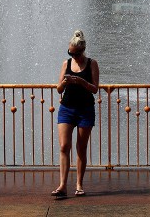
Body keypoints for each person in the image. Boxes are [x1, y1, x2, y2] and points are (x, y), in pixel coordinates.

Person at [52, 30, 100, 198]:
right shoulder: (66, 63)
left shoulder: (92, 64)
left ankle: (79, 184)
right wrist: (64, 83)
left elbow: (95, 89)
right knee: (64, 146)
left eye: (76, 53)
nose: (73, 55)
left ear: (82, 50)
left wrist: (82, 82)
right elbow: (58, 89)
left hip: (85, 110)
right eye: (70, 52)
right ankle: (62, 185)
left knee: (81, 148)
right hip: (67, 108)